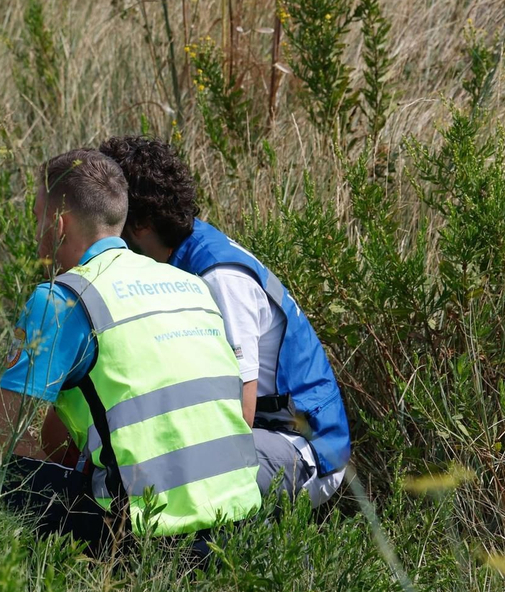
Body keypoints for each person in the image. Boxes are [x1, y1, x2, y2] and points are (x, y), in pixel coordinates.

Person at [0, 148, 262, 551]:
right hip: (238, 529)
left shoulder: (60, 300)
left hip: (144, 536)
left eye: (36, 217)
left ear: (59, 226)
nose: (36, 231)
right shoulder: (190, 285)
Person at [98, 135, 352, 507]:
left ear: (138, 224)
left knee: (162, 479)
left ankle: (204, 556)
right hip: (263, 431)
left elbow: (240, 414)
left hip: (299, 448)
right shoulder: (180, 250)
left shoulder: (219, 279)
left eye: (111, 214)